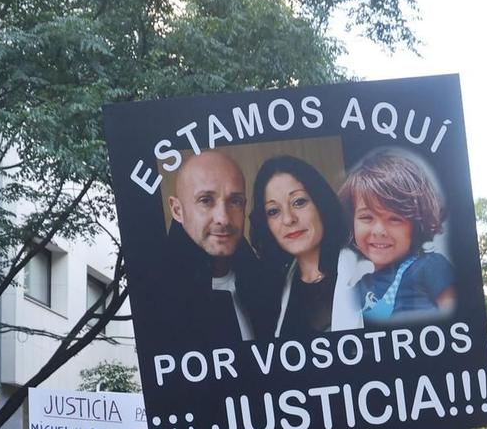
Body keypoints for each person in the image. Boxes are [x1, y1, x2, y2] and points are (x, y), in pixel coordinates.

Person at [141, 150, 271, 351]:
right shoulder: (155, 298)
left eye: (235, 201)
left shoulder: (268, 286)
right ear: (177, 210)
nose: (223, 218)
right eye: (206, 200)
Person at [338, 147, 457, 325]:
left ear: (416, 225)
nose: (379, 230)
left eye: (394, 219)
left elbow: (459, 322)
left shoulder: (430, 266)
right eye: (366, 217)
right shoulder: (357, 286)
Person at [253, 154, 350, 337]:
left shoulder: (366, 273)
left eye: (299, 202)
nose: (288, 219)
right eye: (273, 211)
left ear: (321, 204)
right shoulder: (273, 291)